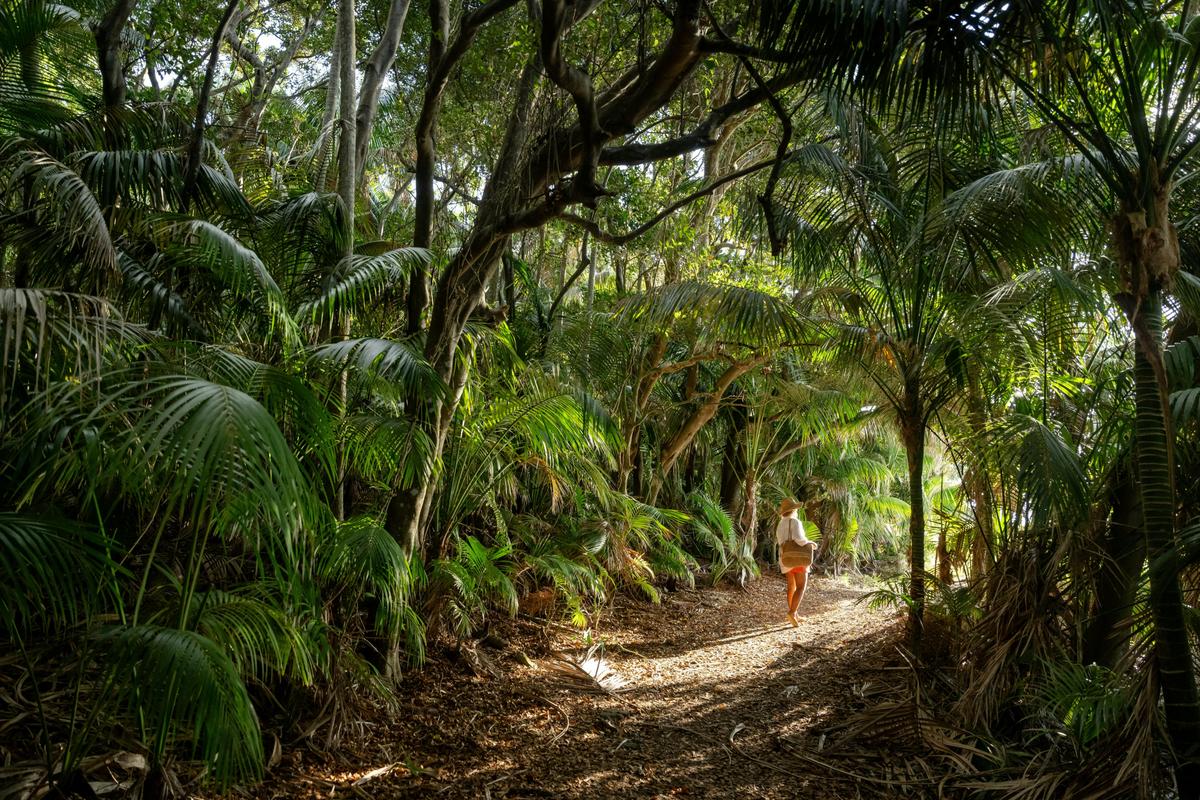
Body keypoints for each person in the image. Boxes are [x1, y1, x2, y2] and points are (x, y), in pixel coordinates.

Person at [776, 498, 816, 627]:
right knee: (801, 586)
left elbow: (781, 541)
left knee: (791, 586)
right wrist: (811, 543)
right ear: (793, 510)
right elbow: (799, 540)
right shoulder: (795, 522)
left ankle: (795, 613)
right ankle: (792, 613)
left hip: (785, 557)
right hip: (798, 558)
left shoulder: (780, 523)